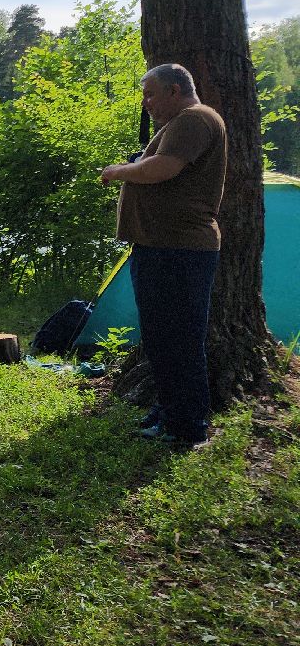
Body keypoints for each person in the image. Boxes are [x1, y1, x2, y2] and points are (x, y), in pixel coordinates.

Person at [101, 63, 227, 448]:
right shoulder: (182, 123)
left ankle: (188, 427)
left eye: (151, 94)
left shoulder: (195, 119)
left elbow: (163, 169)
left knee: (179, 338)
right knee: (162, 337)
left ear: (175, 90)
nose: (146, 103)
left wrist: (117, 171)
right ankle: (171, 412)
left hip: (180, 249)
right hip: (162, 247)